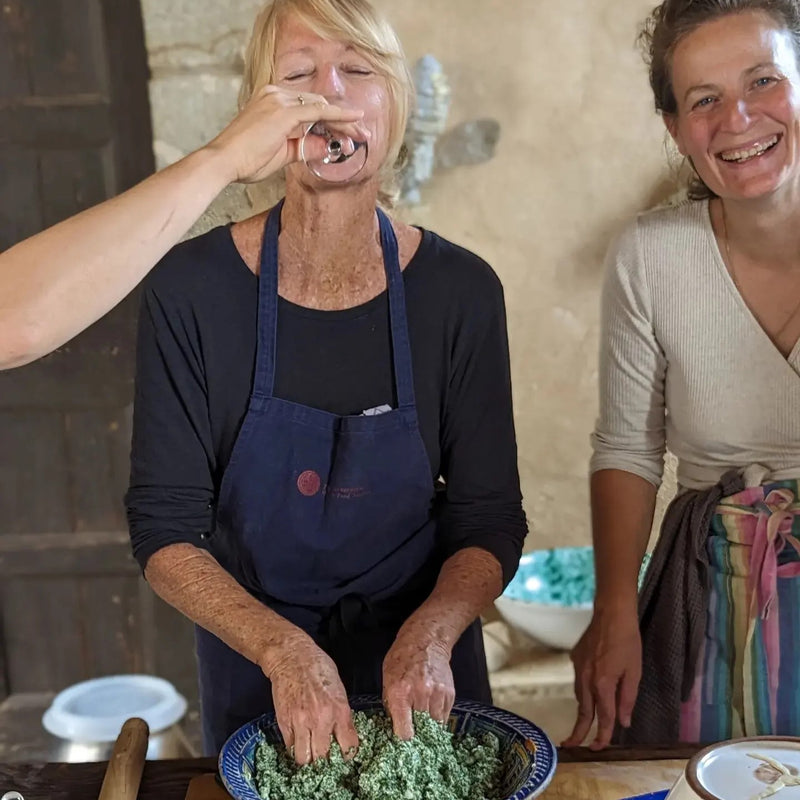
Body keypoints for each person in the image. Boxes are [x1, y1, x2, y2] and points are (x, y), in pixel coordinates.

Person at [124, 0, 526, 762]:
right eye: (299, 75)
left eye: (357, 71)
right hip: (261, 675)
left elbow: (490, 519)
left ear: (395, 103)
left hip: (429, 676)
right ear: (259, 116)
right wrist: (281, 652)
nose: (329, 96)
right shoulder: (191, 289)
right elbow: (164, 528)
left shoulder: (461, 293)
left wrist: (433, 633)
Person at [566, 0, 800, 749]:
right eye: (704, 100)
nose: (738, 117)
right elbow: (628, 449)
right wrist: (613, 614)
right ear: (676, 128)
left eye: (763, 80)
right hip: (714, 610)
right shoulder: (652, 257)